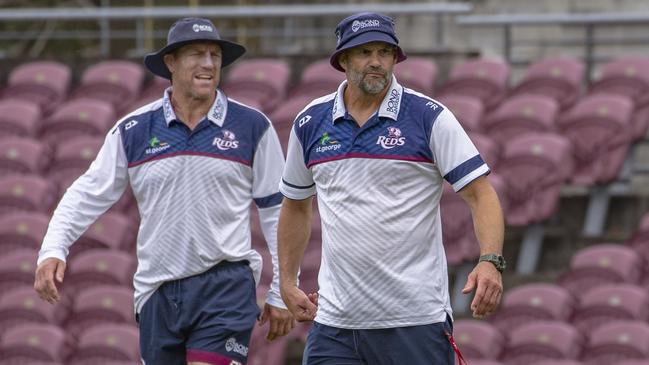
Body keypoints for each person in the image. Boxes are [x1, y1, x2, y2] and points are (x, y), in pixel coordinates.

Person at [34, 17, 293, 365]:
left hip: (226, 285)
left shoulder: (252, 126)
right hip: (156, 291)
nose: (208, 64)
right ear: (170, 63)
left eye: (214, 55)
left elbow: (277, 210)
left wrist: (282, 288)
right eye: (196, 54)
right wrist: (53, 248)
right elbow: (87, 192)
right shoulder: (133, 129)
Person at [277, 12, 505, 365]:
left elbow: (481, 193)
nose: (376, 62)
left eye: (385, 52)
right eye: (365, 52)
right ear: (344, 61)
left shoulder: (429, 116)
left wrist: (490, 260)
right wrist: (287, 281)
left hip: (414, 321)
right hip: (335, 324)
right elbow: (294, 204)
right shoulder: (310, 122)